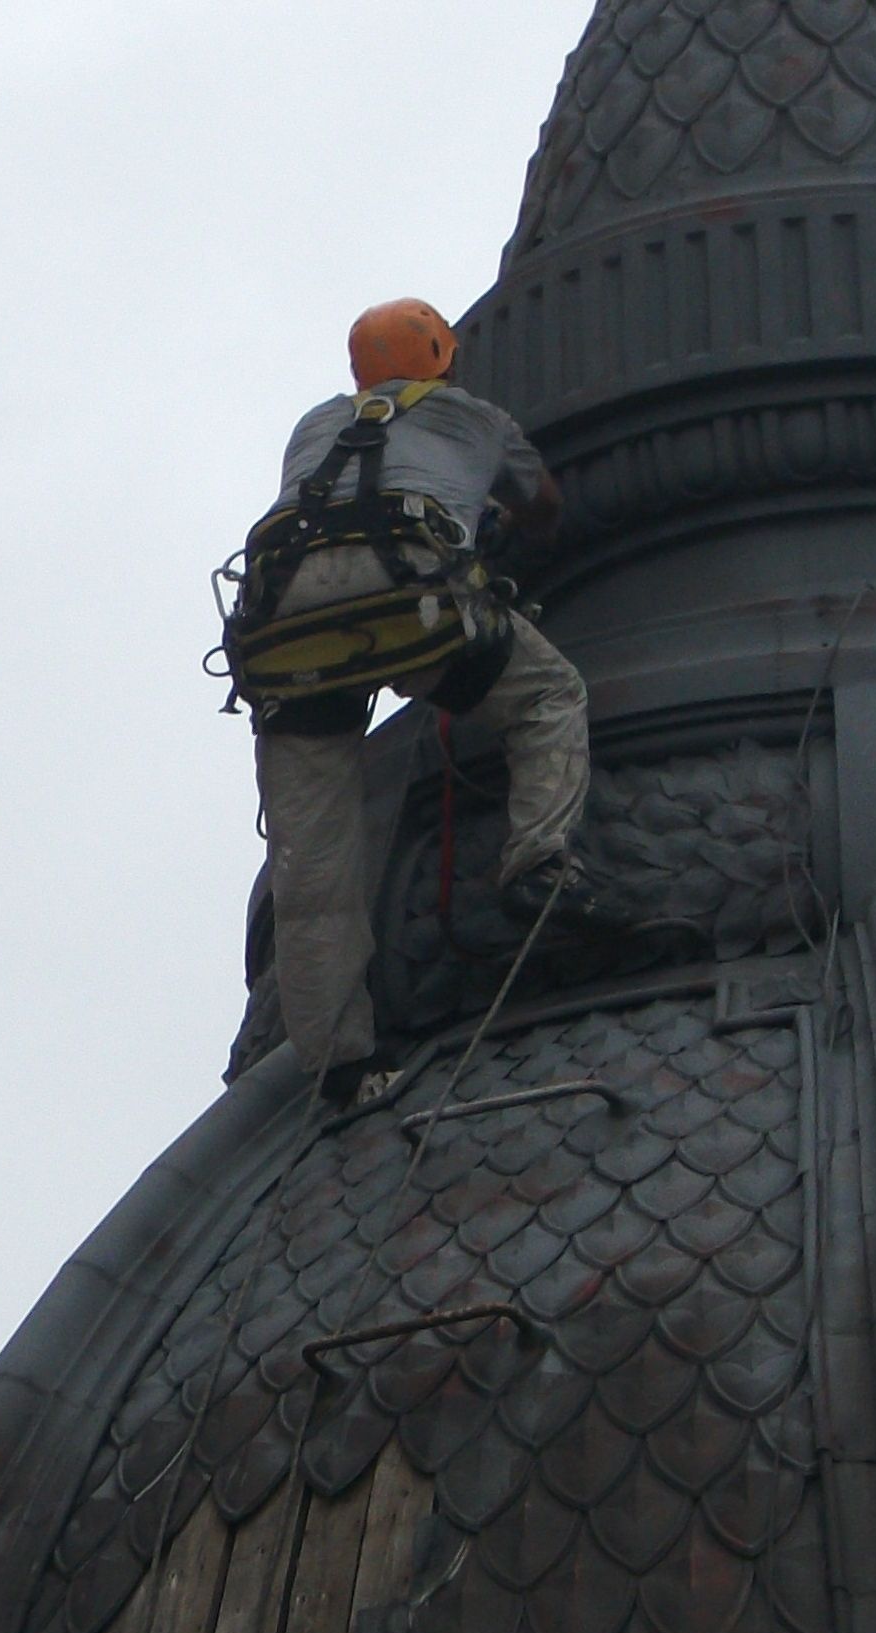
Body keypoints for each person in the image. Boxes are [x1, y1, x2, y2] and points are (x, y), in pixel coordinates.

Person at [221, 298, 608, 1104]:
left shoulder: (313, 426)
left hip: (286, 623)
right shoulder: (475, 416)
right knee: (546, 698)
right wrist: (496, 513)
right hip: (406, 597)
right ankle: (537, 860)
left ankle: (341, 1066)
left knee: (313, 858)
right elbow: (543, 508)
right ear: (444, 358)